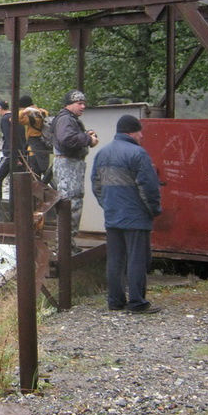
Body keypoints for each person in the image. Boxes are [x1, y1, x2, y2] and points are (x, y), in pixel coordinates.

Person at [91, 115, 162, 314]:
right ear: (131, 132)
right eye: (139, 132)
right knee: (136, 259)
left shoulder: (102, 153)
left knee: (115, 259)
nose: (141, 136)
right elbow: (148, 187)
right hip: (136, 217)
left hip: (113, 215)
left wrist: (107, 205)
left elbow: (96, 185)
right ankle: (137, 303)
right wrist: (154, 210)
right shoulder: (138, 154)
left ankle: (115, 301)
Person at [53, 90, 99, 249]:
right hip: (68, 166)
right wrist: (88, 139)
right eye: (79, 103)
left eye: (83, 103)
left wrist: (85, 135)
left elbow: (69, 138)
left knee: (72, 202)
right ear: (69, 104)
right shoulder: (66, 119)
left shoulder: (68, 119)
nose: (83, 106)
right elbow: (67, 139)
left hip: (71, 166)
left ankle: (67, 244)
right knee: (70, 204)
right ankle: (65, 247)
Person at [0, 100, 26, 199]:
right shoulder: (16, 118)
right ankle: (19, 204)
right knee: (19, 181)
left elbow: (8, 137)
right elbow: (22, 137)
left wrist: (14, 156)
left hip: (10, 155)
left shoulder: (5, 119)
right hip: (22, 153)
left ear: (0, 108)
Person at [18, 95, 51, 180]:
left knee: (35, 170)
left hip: (34, 144)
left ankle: (38, 188)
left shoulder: (29, 115)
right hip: (45, 141)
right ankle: (45, 185)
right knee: (44, 167)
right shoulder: (43, 112)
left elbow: (14, 119)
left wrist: (24, 112)